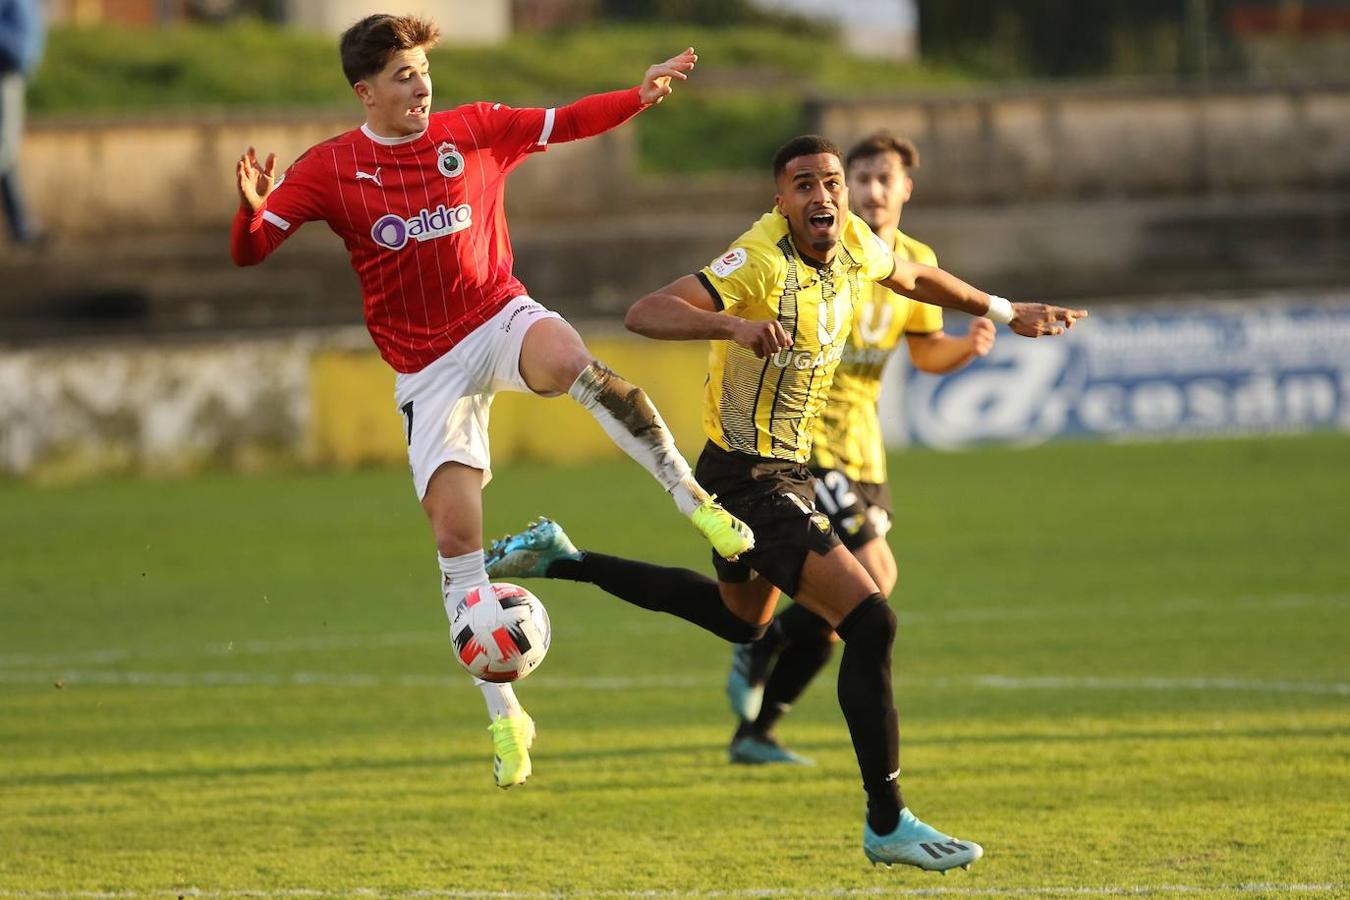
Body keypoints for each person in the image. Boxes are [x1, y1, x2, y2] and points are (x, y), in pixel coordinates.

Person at [485, 134, 1086, 871]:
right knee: (871, 620)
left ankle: (564, 559)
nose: (824, 197)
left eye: (830, 182)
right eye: (804, 185)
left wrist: (1002, 307)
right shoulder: (759, 260)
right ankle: (887, 819)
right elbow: (646, 312)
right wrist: (732, 324)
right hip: (750, 481)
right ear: (781, 200)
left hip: (783, 472)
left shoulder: (857, 242)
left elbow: (912, 277)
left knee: (740, 621)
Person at [230, 14, 754, 790]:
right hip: (426, 369)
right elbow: (250, 250)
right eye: (401, 76)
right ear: (363, 92)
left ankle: (694, 500)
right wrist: (251, 207)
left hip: (497, 315)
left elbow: (565, 121)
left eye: (422, 72)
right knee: (456, 543)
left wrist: (638, 97)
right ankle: (506, 718)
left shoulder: (472, 130)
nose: (419, 86)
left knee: (574, 362)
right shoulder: (330, 169)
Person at [726, 131, 997, 767]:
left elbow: (926, 352)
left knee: (835, 614)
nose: (871, 191)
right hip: (806, 441)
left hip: (863, 450)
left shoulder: (914, 260)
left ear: (905, 190)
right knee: (877, 577)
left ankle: (756, 729)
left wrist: (968, 347)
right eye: (862, 178)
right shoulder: (829, 251)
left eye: (884, 180)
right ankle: (757, 642)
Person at [0, 0, 44, 245]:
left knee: (8, 155)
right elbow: (19, 46)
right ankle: (20, 226)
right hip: (4, 73)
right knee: (5, 151)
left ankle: (19, 225)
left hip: (11, 74)